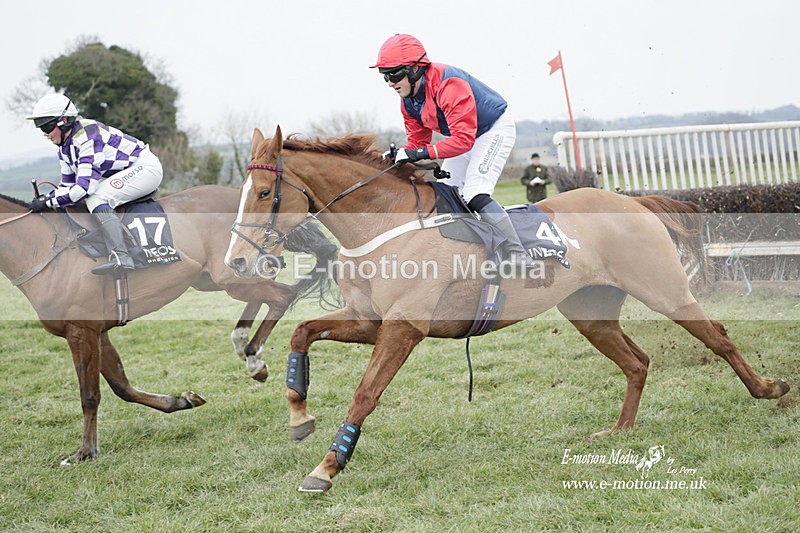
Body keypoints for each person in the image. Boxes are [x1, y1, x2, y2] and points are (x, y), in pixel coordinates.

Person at [371, 34, 536, 271]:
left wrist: (419, 153)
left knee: (474, 193)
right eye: (385, 76)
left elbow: (463, 140)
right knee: (446, 195)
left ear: (415, 69)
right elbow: (418, 141)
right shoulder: (408, 101)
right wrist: (398, 156)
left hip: (492, 130)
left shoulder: (449, 84)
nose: (389, 82)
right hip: (465, 138)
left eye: (394, 74)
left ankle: (518, 253)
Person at [26, 93, 163, 275]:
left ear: (64, 121)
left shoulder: (87, 136)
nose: (45, 133)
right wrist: (47, 199)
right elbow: (66, 187)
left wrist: (49, 202)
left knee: (96, 197)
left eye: (47, 126)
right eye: (41, 128)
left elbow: (84, 188)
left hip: (145, 168)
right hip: (123, 172)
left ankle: (122, 255)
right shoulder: (64, 149)